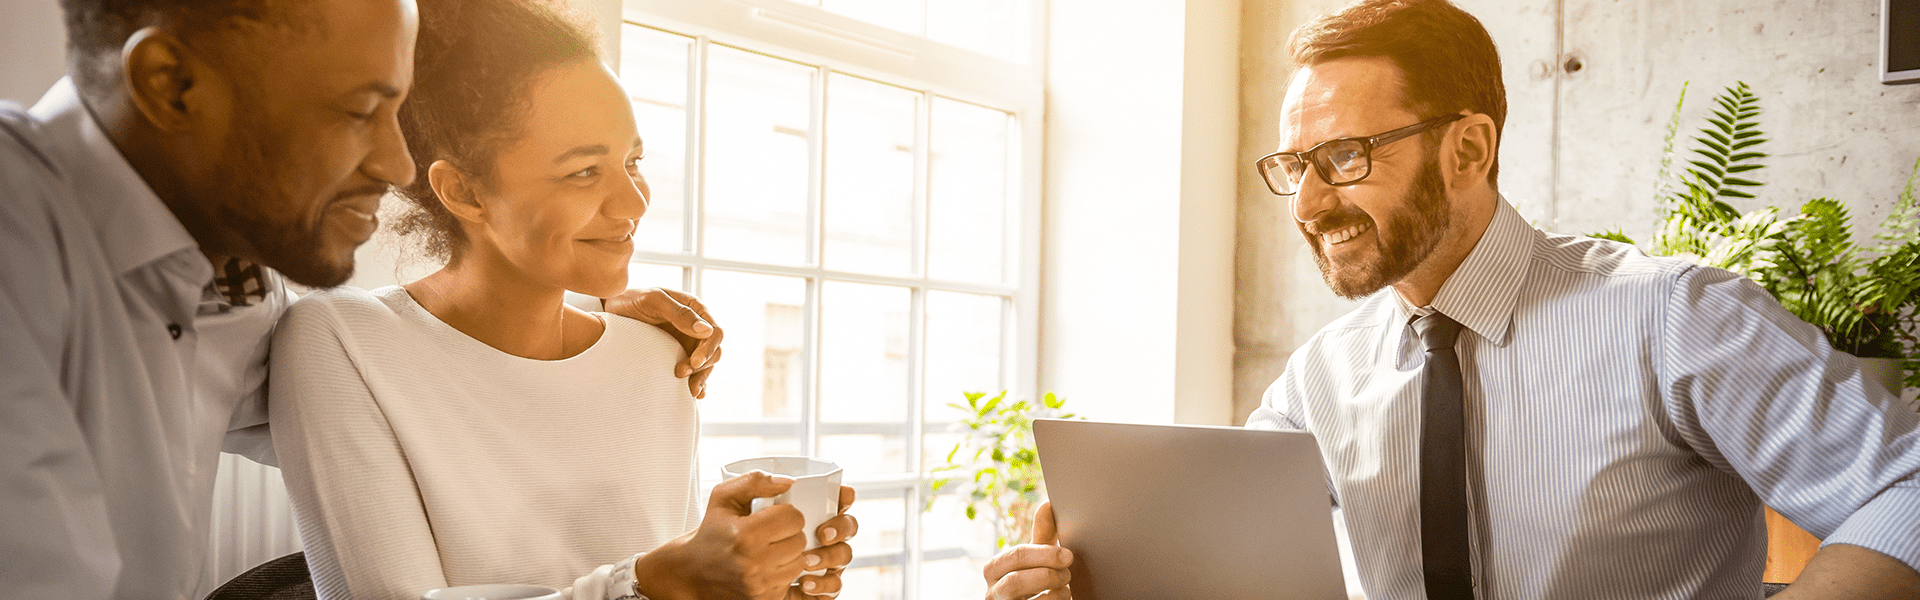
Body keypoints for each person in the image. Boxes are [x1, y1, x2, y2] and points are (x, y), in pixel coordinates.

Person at [982, 1, 1920, 599]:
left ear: (1467, 150)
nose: (1310, 205)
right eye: (1294, 168)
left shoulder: (1672, 318)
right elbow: (1227, 567)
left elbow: (1904, 486)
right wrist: (1087, 585)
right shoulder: (1322, 377)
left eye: (1345, 159)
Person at [0, 0, 722, 597]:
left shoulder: (240, 298)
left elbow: (424, 377)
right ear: (171, 84)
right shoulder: (19, 231)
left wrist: (585, 322)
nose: (395, 162)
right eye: (356, 111)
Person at [266, 1, 856, 599]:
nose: (633, 204)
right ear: (464, 190)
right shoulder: (340, 340)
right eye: (583, 172)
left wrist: (748, 585)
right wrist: (652, 583)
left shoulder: (659, 357)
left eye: (633, 162)